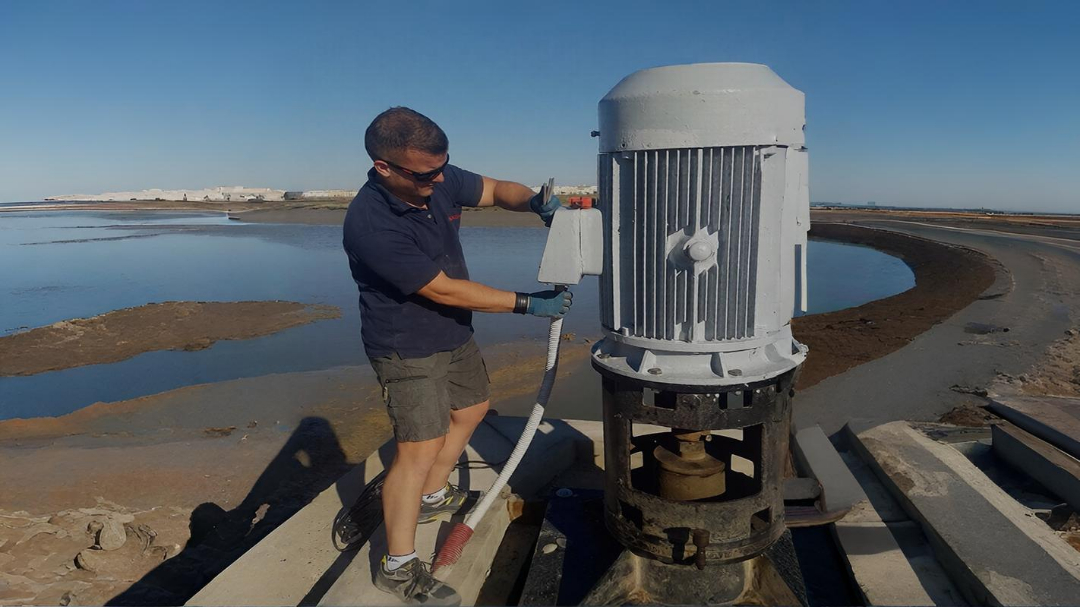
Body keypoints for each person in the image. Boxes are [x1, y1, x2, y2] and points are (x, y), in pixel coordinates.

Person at [342, 107, 571, 605]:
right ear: (385, 167)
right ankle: (398, 566)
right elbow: (442, 290)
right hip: (407, 345)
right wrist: (527, 303)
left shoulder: (434, 175)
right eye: (426, 174)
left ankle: (433, 495)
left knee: (470, 409)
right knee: (417, 448)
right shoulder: (370, 223)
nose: (440, 179)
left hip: (453, 333)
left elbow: (493, 189)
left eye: (443, 168)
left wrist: (535, 201)